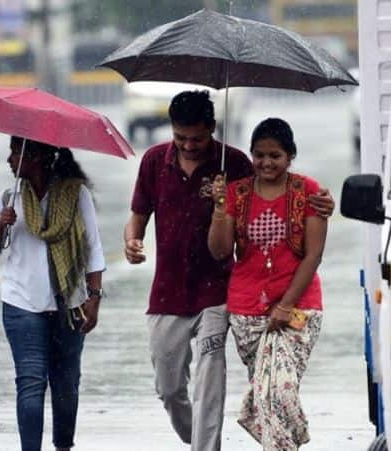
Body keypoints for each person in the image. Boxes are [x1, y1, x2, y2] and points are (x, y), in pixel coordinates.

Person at [123, 91, 333, 451]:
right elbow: (139, 215)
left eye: (197, 138)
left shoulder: (233, 163)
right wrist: (133, 241)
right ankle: (200, 437)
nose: (189, 145)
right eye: (180, 138)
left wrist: (323, 202)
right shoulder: (155, 161)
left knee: (210, 380)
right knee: (169, 387)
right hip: (168, 291)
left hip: (217, 292)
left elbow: (276, 180)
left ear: (212, 129)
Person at [207, 118, 326, 450]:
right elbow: (219, 250)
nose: (266, 163)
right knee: (266, 395)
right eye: (259, 155)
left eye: (275, 155)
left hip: (299, 307)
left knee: (280, 391)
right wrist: (218, 206)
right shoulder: (237, 193)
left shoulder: (309, 191)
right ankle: (290, 439)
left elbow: (314, 255)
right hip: (247, 311)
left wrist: (285, 305)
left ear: (290, 156)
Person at [0, 136, 105, 451]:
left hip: (70, 303)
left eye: (16, 153)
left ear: (37, 157)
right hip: (21, 303)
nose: (10, 160)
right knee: (31, 382)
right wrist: (1, 225)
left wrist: (94, 297)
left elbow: (93, 249)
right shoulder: (10, 198)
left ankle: (63, 445)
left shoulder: (76, 195)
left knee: (65, 385)